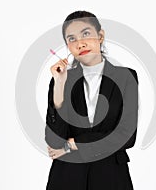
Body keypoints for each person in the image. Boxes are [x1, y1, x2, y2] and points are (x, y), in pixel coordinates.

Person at [45, 10, 139, 190]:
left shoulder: (126, 77)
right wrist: (59, 86)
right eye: (71, 39)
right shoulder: (60, 79)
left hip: (111, 176)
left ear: (100, 36)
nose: (80, 43)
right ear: (68, 45)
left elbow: (126, 136)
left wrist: (73, 144)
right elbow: (54, 142)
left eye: (86, 34)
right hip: (67, 177)